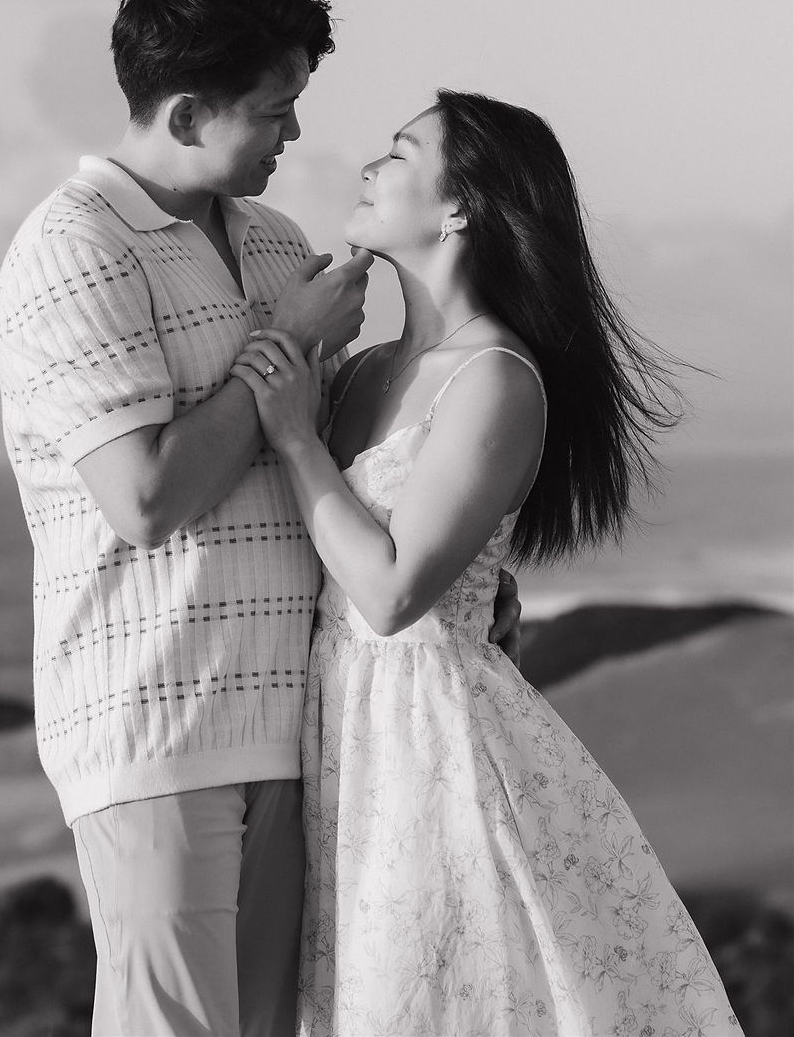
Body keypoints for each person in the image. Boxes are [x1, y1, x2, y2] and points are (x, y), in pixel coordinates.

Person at [0, 0, 521, 1037]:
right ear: (186, 113)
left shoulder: (277, 244)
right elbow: (144, 499)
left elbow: (320, 460)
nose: (292, 137)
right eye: (273, 113)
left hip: (301, 723)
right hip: (155, 727)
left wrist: (461, 560)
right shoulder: (71, 250)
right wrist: (286, 346)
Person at [232, 91, 742, 1037]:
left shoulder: (496, 378)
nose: (370, 170)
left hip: (422, 741)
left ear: (461, 206)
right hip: (324, 731)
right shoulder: (360, 367)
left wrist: (298, 441)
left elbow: (388, 593)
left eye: (399, 153)